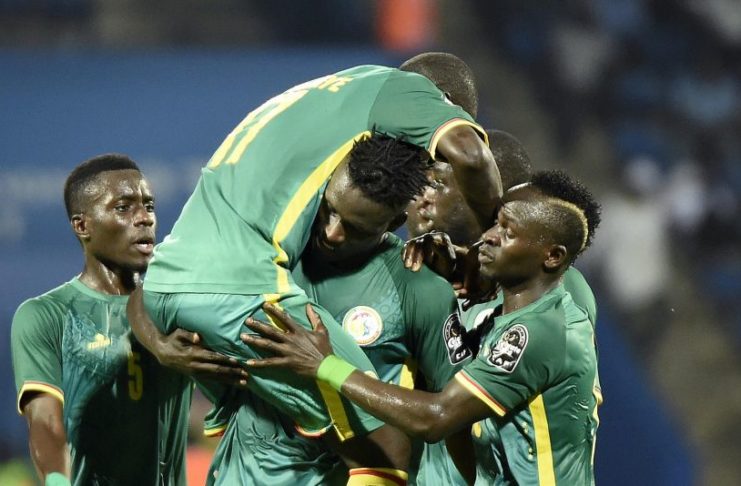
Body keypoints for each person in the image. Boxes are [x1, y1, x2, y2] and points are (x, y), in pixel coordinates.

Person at [140, 54, 501, 483]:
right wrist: (490, 242)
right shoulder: (407, 94)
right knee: (387, 444)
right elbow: (472, 156)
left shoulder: (331, 97)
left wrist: (158, 342)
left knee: (261, 402)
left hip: (172, 282)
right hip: (238, 286)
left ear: (392, 221)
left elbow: (448, 417)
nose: (331, 233)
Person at [242, 171, 602, 485]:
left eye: (507, 230)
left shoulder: (545, 327)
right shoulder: (506, 311)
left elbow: (438, 417)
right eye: (495, 222)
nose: (489, 236)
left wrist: (326, 365)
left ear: (553, 256)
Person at [10, 155, 195, 485]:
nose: (144, 218)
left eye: (149, 206)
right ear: (82, 226)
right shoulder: (47, 315)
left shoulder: (177, 308)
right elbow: (45, 423)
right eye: (123, 208)